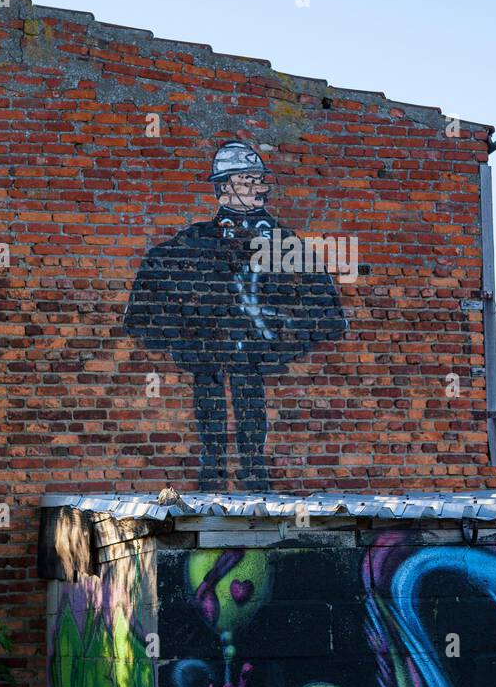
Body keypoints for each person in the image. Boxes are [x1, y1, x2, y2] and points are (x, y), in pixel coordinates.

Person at [124, 141, 347, 490]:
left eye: (260, 179)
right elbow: (151, 297)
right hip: (210, 350)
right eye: (248, 178)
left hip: (255, 350)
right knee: (210, 394)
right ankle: (212, 472)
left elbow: (323, 306)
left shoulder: (285, 242)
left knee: (250, 398)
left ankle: (255, 473)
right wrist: (185, 338)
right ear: (225, 186)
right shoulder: (192, 242)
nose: (261, 187)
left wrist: (284, 334)